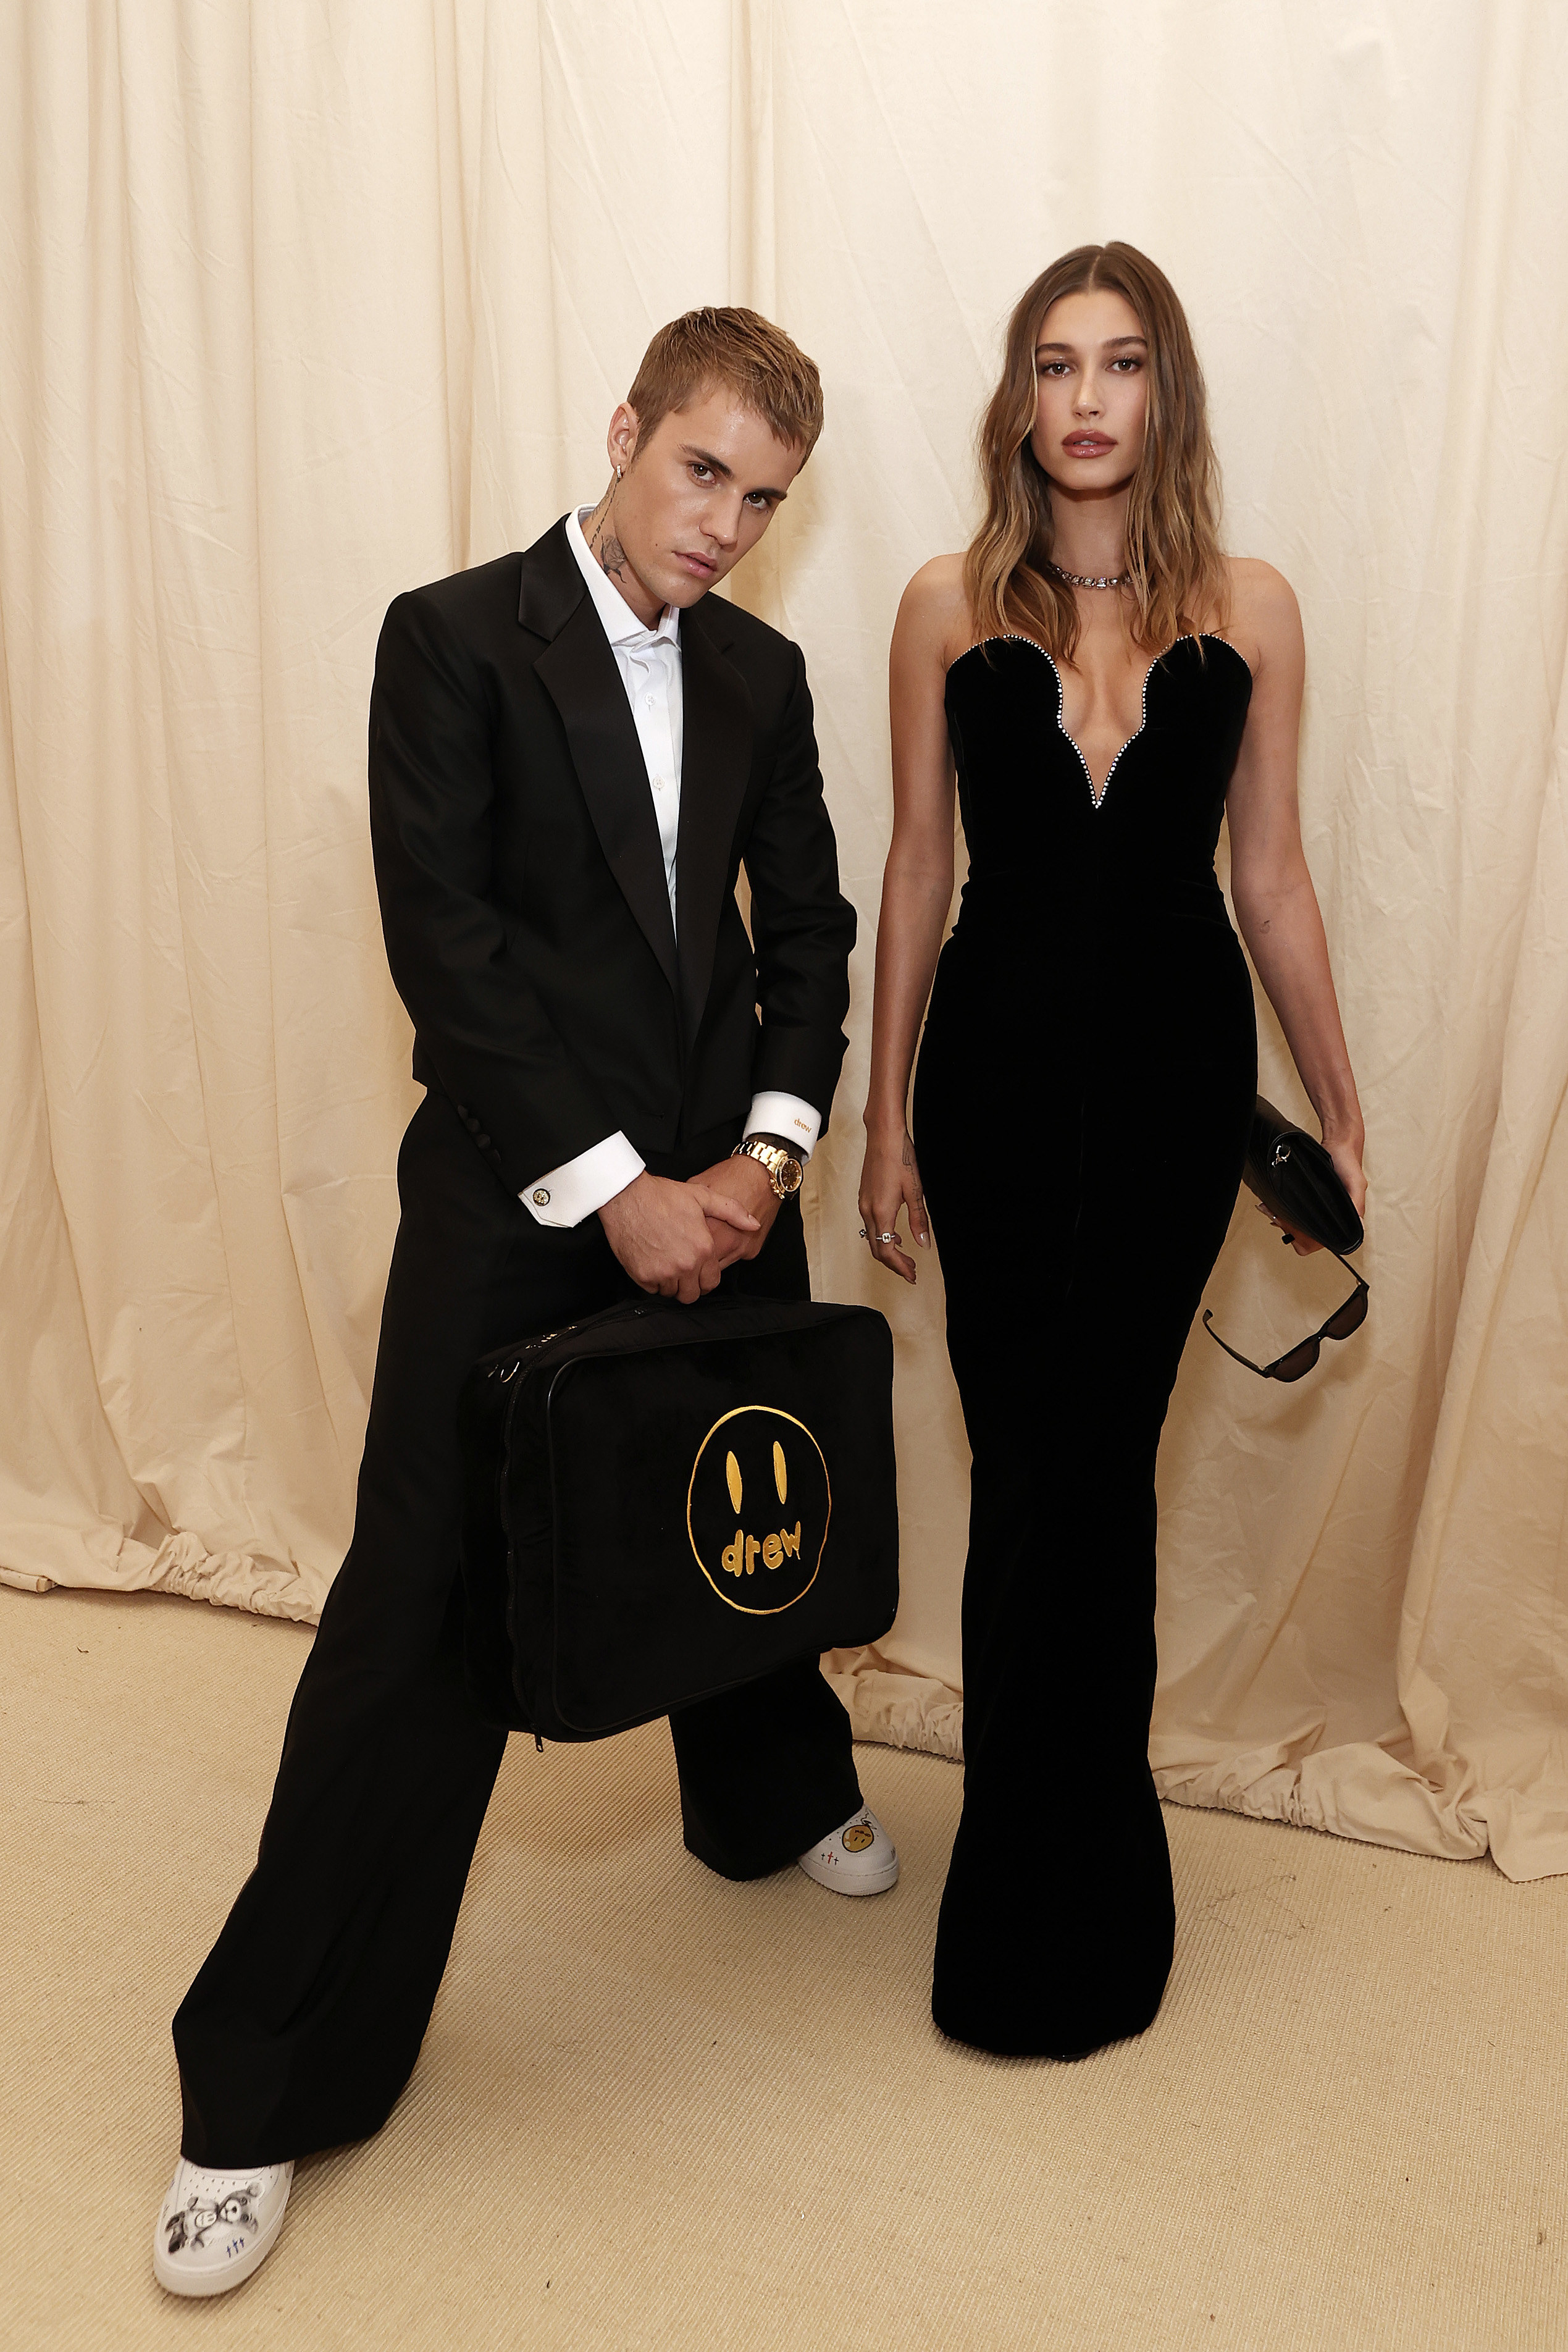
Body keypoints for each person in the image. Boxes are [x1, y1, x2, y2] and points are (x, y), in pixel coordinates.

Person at [154, 306, 899, 2299]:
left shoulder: (764, 669)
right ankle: (263, 2085)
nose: (727, 523)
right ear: (627, 430)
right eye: (702, 473)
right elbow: (448, 946)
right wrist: (611, 1194)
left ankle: (770, 1803)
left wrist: (755, 1163)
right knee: (419, 1611)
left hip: (725, 1202)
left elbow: (807, 929)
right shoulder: (453, 635)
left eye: (764, 497)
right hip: (522, 1199)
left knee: (742, 1516)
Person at [857, 243, 1365, 2060]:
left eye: (1120, 362)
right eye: (1053, 364)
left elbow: (1270, 877)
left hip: (1167, 1083)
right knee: (1022, 1469)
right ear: (1018, 400)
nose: (1084, 398)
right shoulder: (939, 604)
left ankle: (1102, 1874)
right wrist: (877, 1117)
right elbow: (918, 869)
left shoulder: (1253, 606)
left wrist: (1339, 1094)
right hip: (985, 1078)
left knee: (1106, 1469)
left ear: (1165, 395)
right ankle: (1013, 1886)